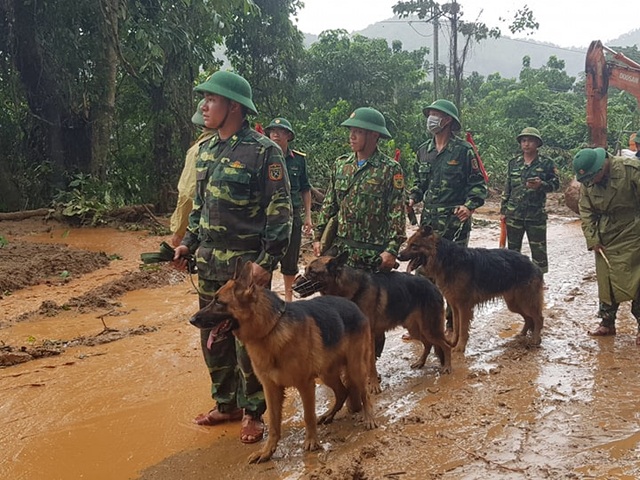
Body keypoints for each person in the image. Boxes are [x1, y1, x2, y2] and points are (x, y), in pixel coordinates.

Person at [172, 70, 292, 443]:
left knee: (251, 344)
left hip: (245, 274)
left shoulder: (263, 151)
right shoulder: (206, 150)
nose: (204, 106)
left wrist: (266, 263)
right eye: (204, 99)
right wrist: (186, 244)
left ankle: (254, 412)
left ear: (234, 106)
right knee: (212, 338)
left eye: (212, 99)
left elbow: (280, 210)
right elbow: (200, 208)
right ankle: (226, 404)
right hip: (209, 266)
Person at [312, 107, 406, 358]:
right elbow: (329, 205)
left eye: (359, 132)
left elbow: (396, 214)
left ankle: (369, 363)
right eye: (351, 131)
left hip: (372, 256)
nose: (352, 136)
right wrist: (318, 239)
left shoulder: (390, 169)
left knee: (370, 313)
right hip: (342, 255)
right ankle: (344, 359)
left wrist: (391, 250)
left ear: (375, 136)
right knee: (338, 305)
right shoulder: (340, 165)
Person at [407, 99, 487, 334]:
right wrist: (412, 197)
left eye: (435, 113)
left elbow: (478, 184)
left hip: (455, 224)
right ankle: (425, 324)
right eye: (429, 113)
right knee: (423, 274)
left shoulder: (464, 151)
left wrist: (469, 206)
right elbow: (419, 184)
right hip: (429, 226)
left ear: (448, 120)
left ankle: (454, 324)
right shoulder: (423, 150)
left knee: (454, 275)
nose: (431, 118)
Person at [573, 147, 640, 343]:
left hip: (634, 232)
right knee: (606, 281)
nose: (590, 182)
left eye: (593, 177)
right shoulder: (588, 180)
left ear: (603, 165)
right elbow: (585, 211)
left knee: (636, 280)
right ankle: (607, 323)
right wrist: (592, 239)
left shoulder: (631, 170)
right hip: (605, 235)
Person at [265, 117, 313, 301]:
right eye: (272, 131)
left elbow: (305, 188)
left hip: (292, 216)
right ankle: (266, 298)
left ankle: (288, 298)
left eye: (280, 131)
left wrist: (308, 216)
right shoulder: (262, 156)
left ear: (288, 135)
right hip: (267, 216)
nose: (275, 134)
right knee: (265, 257)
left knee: (290, 257)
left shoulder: (298, 160)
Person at [500, 127, 559, 275]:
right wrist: (503, 210)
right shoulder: (513, 163)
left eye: (530, 141)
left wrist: (542, 185)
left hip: (536, 215)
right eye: (524, 141)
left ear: (537, 143)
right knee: (512, 253)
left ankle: (538, 283)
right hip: (514, 215)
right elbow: (508, 187)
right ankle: (513, 282)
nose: (526, 144)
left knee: (538, 251)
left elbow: (556, 185)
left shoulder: (546, 163)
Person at [169, 99, 216, 247]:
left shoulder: (198, 150)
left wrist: (180, 232)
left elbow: (188, 194)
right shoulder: (241, 146)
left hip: (205, 232)